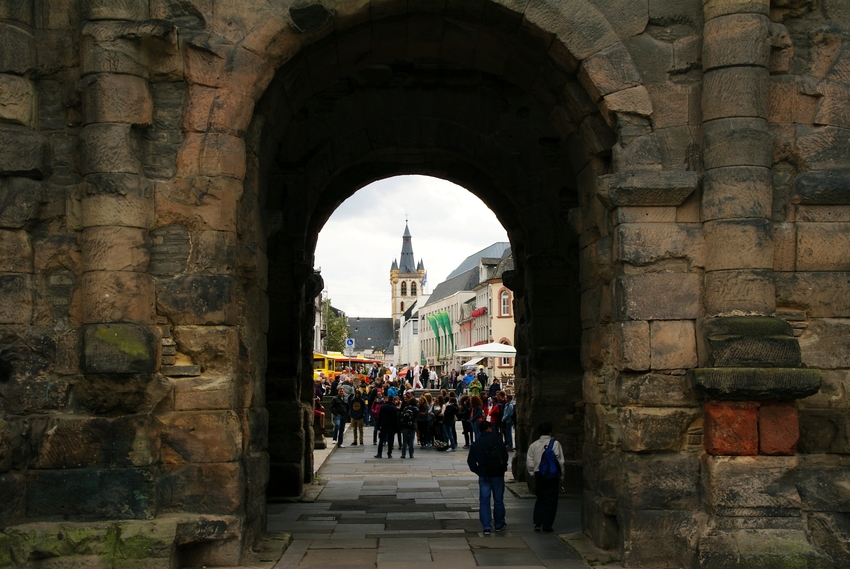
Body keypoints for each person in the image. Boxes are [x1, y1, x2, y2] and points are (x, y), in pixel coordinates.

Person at [466, 420, 509, 535]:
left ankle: (486, 526)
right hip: (497, 474)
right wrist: (503, 468)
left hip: (484, 474)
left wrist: (479, 470)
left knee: (484, 500)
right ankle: (499, 523)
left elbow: (471, 462)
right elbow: (505, 455)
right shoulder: (497, 440)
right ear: (490, 428)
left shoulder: (477, 443)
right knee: (498, 500)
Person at [526, 421, 566, 532]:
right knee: (551, 500)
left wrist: (532, 473)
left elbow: (529, 462)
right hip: (552, 475)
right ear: (550, 432)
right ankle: (547, 524)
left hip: (539, 474)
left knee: (540, 498)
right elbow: (560, 462)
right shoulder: (556, 444)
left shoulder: (533, 445)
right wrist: (561, 475)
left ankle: (538, 522)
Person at [399, 392, 418, 459]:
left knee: (404, 440)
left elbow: (402, 415)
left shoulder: (406, 408)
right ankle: (411, 454)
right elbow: (416, 418)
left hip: (405, 425)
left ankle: (403, 454)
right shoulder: (416, 409)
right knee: (411, 440)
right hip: (412, 425)